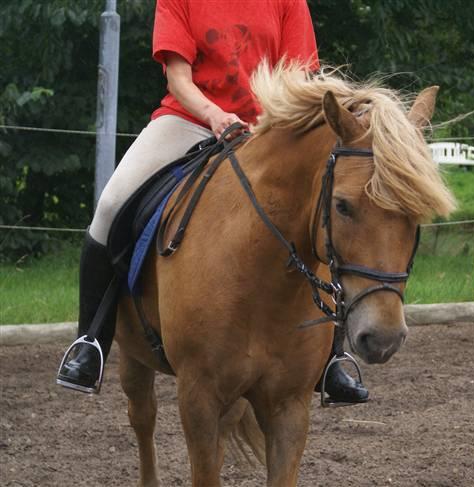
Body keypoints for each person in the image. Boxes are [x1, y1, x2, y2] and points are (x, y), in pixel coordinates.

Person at [56, 0, 369, 405]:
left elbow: (300, 78)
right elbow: (178, 78)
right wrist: (215, 114)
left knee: (319, 215)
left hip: (269, 131)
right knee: (112, 205)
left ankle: (329, 357)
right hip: (189, 121)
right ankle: (90, 342)